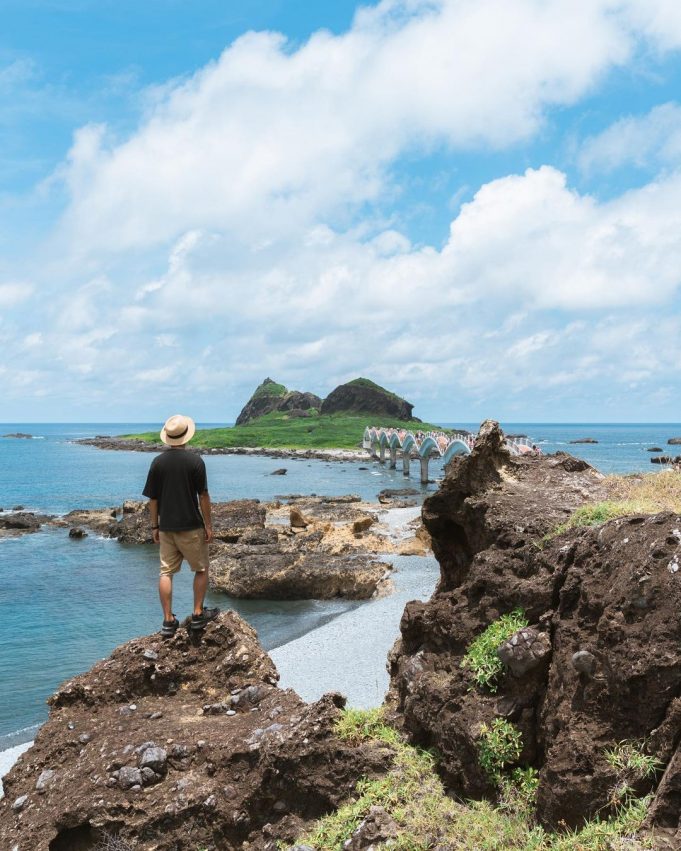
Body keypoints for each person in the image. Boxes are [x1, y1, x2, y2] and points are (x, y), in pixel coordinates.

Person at [142, 414, 219, 637]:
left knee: (166, 573)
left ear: (168, 438)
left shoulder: (157, 462)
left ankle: (168, 620)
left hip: (166, 528)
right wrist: (208, 525)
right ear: (186, 437)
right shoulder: (196, 462)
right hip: (191, 526)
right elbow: (203, 496)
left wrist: (154, 527)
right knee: (201, 569)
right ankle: (197, 614)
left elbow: (153, 499)